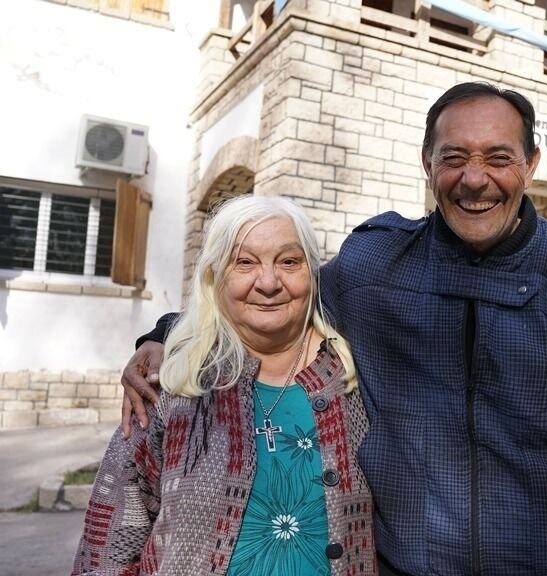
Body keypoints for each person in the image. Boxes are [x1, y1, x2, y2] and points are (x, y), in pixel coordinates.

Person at [121, 82, 547, 576]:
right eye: (454, 158)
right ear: (428, 165)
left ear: (531, 165)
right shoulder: (376, 267)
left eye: (498, 158)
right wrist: (165, 334)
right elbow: (274, 300)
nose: (475, 179)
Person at [73, 196, 375, 575]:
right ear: (215, 277)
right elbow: (108, 548)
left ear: (313, 275)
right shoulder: (172, 389)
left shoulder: (357, 381)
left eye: (289, 261)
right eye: (244, 262)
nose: (268, 282)